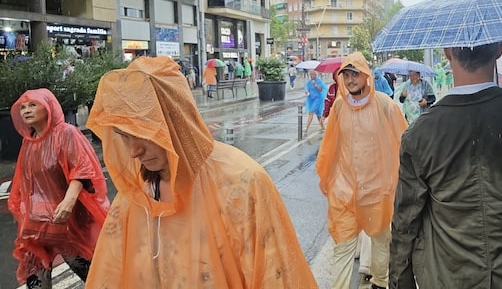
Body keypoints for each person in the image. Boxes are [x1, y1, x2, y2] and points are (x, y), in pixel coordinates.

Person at [84, 56, 318, 288]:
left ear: (177, 121)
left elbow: (275, 275)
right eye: (124, 137)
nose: (134, 152)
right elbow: (112, 269)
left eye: (144, 135)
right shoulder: (137, 192)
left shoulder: (242, 182)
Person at [389, 42, 502, 289]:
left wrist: (400, 282)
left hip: (448, 275)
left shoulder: (420, 133)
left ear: (447, 52)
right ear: (500, 50)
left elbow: (405, 222)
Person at [316, 52, 408, 289]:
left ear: (366, 75)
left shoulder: (385, 105)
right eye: (345, 75)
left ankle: (379, 282)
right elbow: (330, 146)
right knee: (343, 246)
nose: (350, 80)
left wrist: (396, 180)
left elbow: (403, 140)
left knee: (380, 242)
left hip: (377, 191)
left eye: (354, 73)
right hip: (345, 193)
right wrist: (330, 179)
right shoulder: (339, 108)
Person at [8, 88, 110, 288]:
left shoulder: (66, 133)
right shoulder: (28, 142)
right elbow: (24, 179)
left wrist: (69, 201)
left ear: (48, 107)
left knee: (86, 269)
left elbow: (82, 169)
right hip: (36, 222)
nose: (26, 110)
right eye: (22, 107)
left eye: (32, 105)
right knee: (34, 271)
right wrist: (20, 208)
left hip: (67, 220)